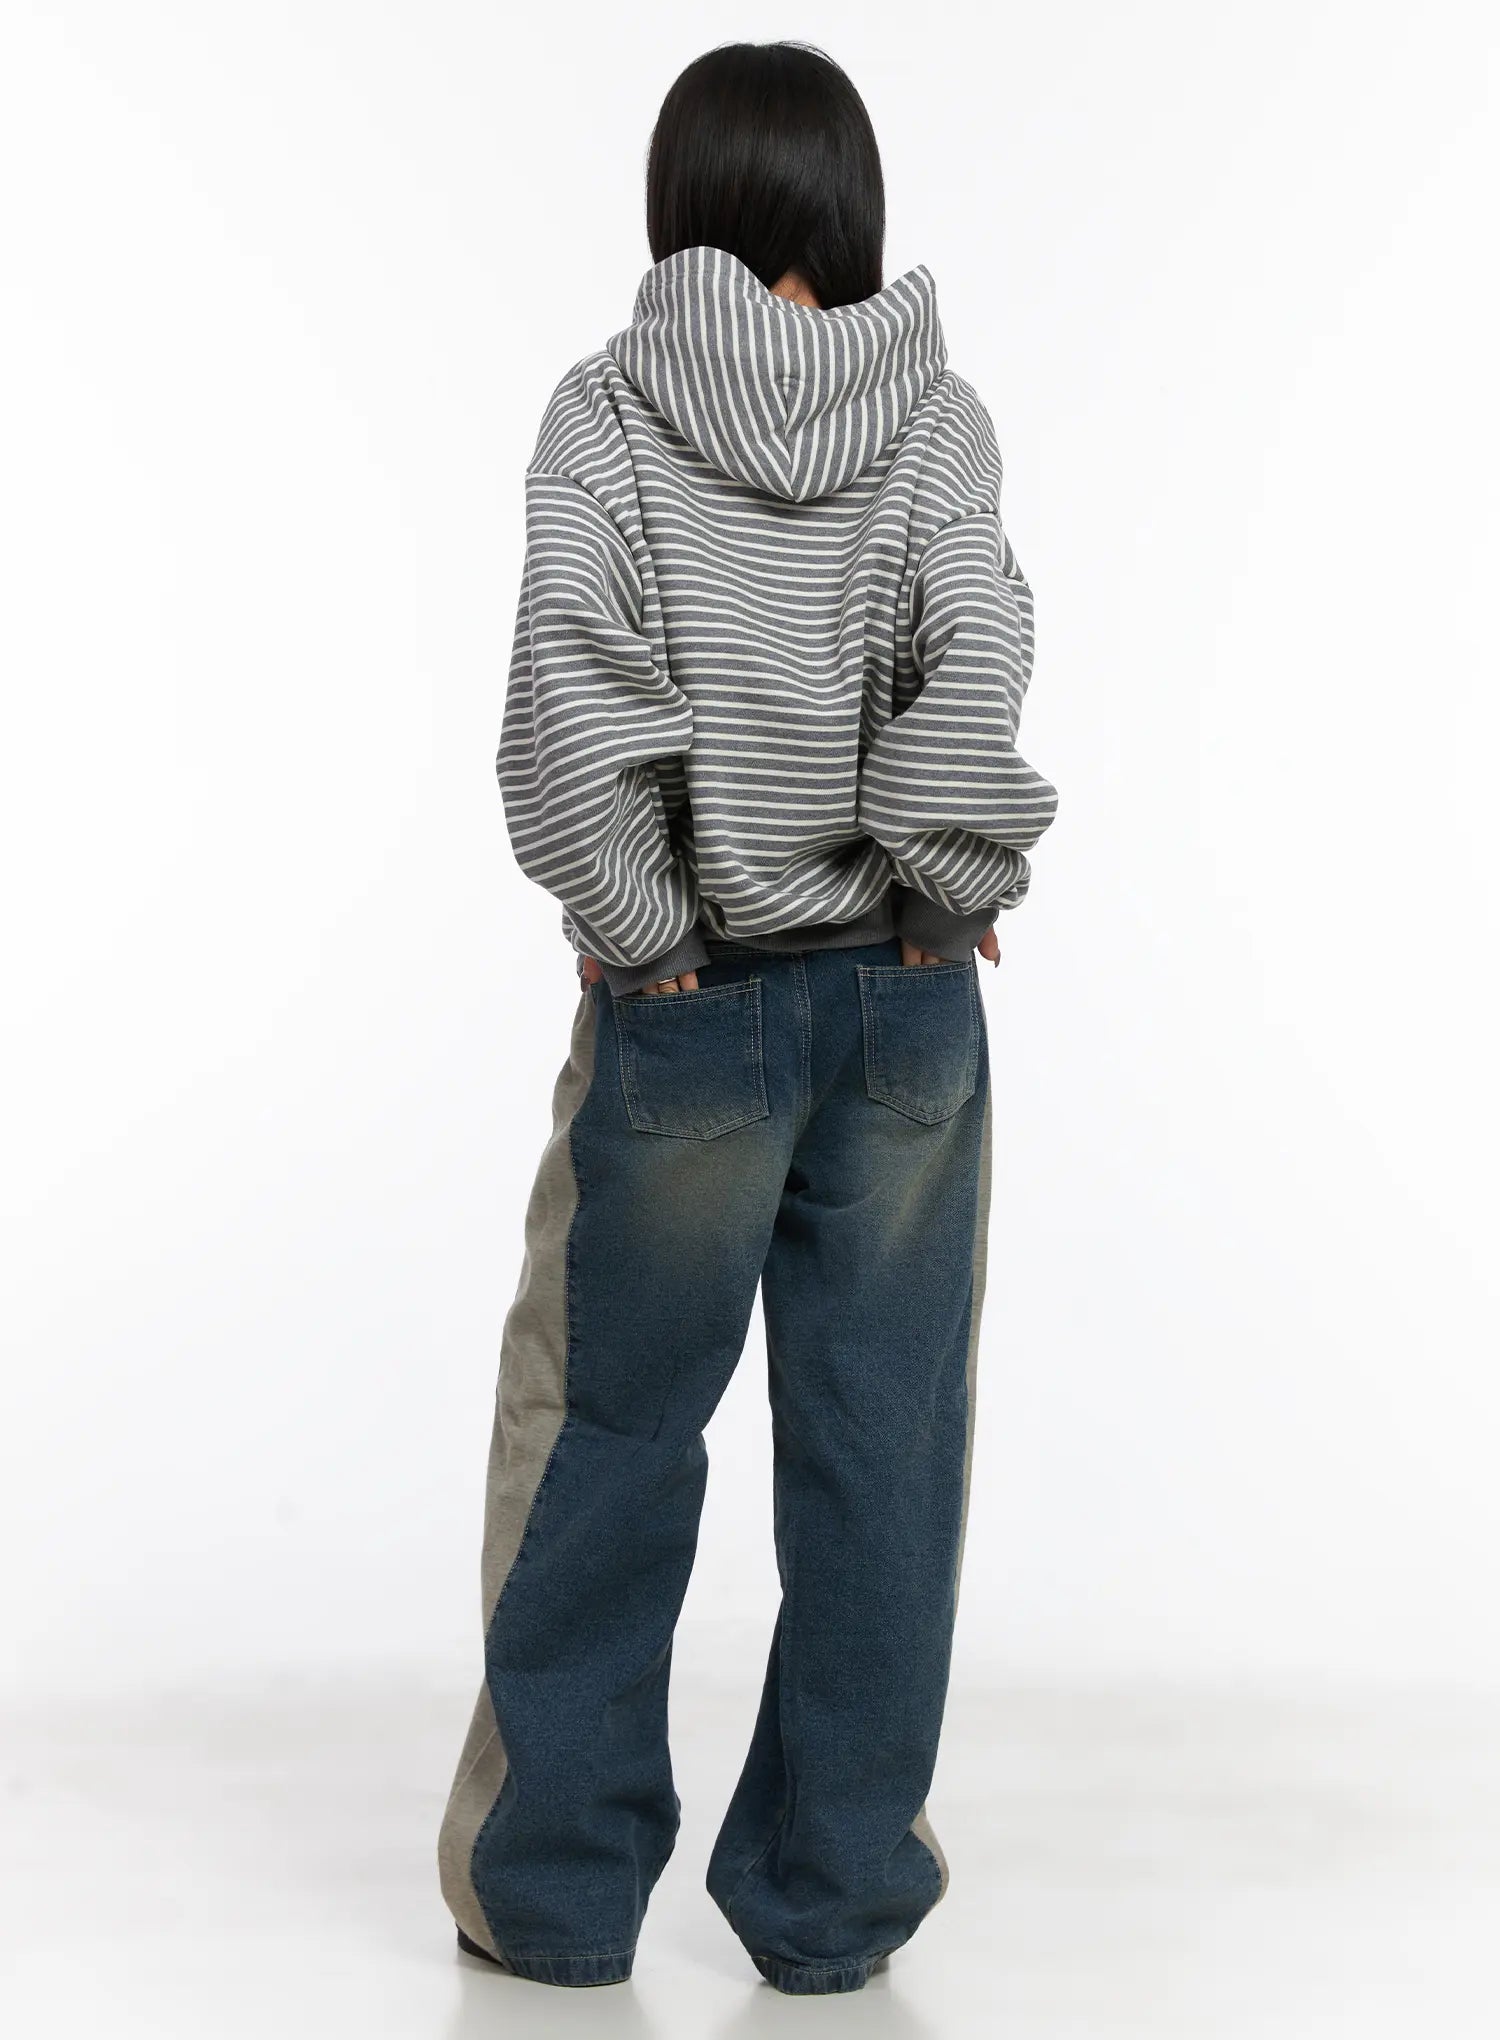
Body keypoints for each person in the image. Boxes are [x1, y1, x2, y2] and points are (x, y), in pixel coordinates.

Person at [437, 38, 1058, 1997]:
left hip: (688, 1010)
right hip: (906, 1012)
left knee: (606, 1436)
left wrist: (641, 938)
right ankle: (835, 1895)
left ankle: (550, 1895)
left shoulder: (609, 414)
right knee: (887, 1456)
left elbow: (573, 692)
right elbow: (977, 666)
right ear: (848, 205)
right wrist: (943, 893)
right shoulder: (935, 419)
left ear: (682, 198)